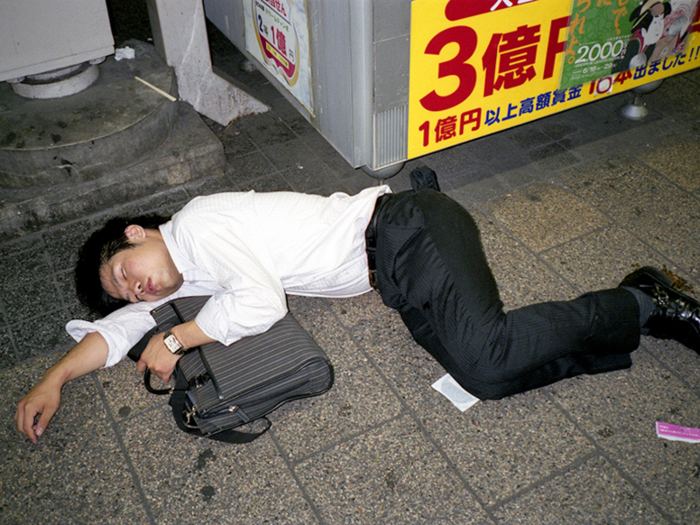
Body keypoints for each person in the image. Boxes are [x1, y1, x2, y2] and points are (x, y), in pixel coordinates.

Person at [15, 168, 700, 443]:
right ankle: (629, 326)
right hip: (399, 270)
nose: (137, 289)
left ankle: (644, 298)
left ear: (138, 233)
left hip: (409, 230)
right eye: (128, 289)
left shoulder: (196, 226)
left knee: (488, 350)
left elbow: (258, 303)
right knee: (485, 376)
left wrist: (183, 336)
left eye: (125, 270)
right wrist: (55, 377)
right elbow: (125, 328)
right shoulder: (188, 265)